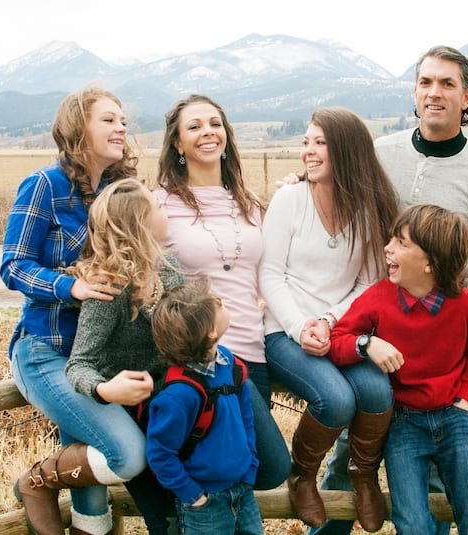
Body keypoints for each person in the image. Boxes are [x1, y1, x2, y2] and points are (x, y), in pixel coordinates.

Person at [310, 45, 468, 535]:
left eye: (448, 84)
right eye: (426, 82)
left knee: (428, 486)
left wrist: (446, 260)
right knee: (349, 459)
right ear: (414, 91)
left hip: (434, 350)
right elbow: (326, 201)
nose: (435, 93)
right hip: (371, 330)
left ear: (467, 96)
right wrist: (303, 183)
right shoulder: (380, 154)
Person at [1, 86, 142, 535]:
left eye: (123, 120)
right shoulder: (44, 185)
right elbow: (13, 265)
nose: (121, 126)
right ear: (78, 128)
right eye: (108, 119)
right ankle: (36, 482)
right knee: (126, 454)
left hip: (99, 356)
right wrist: (72, 286)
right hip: (47, 349)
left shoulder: (119, 192)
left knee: (88, 473)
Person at [259, 107, 400, 531]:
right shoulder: (289, 199)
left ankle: (362, 475)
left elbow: (367, 282)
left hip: (342, 329)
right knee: (335, 399)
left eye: (320, 142)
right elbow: (270, 273)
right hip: (283, 331)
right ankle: (302, 476)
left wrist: (327, 319)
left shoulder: (366, 208)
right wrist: (302, 326)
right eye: (306, 142)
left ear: (347, 150)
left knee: (377, 392)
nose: (309, 151)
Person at [328, 204, 468, 534]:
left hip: (453, 418)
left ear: (431, 262)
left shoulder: (466, 305)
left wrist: (465, 402)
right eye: (391, 238)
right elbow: (337, 339)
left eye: (402, 243)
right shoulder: (379, 298)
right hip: (403, 424)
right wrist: (367, 344)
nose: (387, 248)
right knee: (413, 524)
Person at [154, 93, 290, 490]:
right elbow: (147, 279)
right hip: (198, 361)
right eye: (193, 126)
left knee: (248, 474)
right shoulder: (160, 203)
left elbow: (274, 273)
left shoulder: (249, 204)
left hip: (252, 350)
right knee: (225, 471)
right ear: (177, 143)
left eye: (214, 123)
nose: (207, 132)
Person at [62, 178, 186, 535]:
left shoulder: (171, 270)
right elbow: (79, 364)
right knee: (166, 519)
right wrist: (104, 390)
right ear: (140, 225)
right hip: (134, 417)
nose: (165, 211)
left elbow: (183, 333)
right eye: (157, 208)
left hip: (172, 414)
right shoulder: (110, 288)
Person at [147, 277, 264, 535]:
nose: (222, 304)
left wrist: (249, 469)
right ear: (211, 331)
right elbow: (160, 453)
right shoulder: (178, 395)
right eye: (218, 304)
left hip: (242, 490)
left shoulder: (230, 366)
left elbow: (246, 420)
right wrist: (193, 496)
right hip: (204, 503)